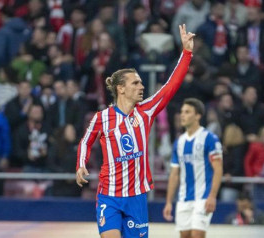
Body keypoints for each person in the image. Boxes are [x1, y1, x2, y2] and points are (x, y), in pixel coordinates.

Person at [76, 24, 195, 238]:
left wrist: (186, 53)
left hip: (136, 198)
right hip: (109, 195)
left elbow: (170, 87)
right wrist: (80, 165)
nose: (141, 86)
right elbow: (86, 142)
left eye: (141, 82)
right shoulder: (101, 118)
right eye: (135, 83)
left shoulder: (145, 112)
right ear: (121, 88)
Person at [162, 98, 223, 238]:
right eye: (182, 112)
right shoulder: (179, 142)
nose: (182, 115)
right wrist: (168, 202)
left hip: (203, 197)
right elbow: (174, 174)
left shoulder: (210, 139)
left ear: (198, 116)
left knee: (197, 235)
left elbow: (218, 169)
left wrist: (212, 196)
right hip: (184, 198)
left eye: (187, 112)